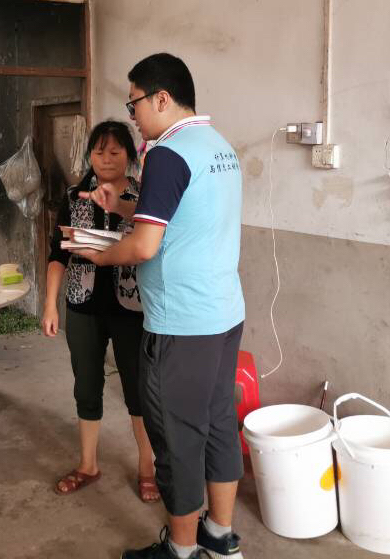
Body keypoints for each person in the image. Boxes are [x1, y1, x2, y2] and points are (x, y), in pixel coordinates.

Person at [70, 53, 246, 559]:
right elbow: (176, 216)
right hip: (224, 314)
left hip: (181, 324)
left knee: (176, 438)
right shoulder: (219, 146)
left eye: (134, 104)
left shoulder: (167, 153)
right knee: (218, 424)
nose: (133, 116)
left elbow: (145, 246)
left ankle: (182, 550)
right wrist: (121, 205)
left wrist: (100, 253)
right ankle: (220, 536)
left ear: (162, 98)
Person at [42, 120, 160, 504]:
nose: (106, 159)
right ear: (89, 155)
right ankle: (88, 465)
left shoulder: (144, 197)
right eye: (98, 151)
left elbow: (155, 249)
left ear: (128, 155)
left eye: (114, 151)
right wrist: (50, 305)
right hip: (83, 304)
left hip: (133, 308)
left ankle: (147, 468)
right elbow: (58, 255)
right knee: (87, 385)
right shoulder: (75, 196)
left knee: (138, 389)